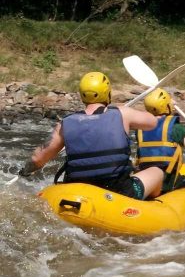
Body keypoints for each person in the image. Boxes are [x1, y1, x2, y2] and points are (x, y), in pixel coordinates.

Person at [18, 72, 164, 200]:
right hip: (117, 190)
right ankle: (152, 203)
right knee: (157, 171)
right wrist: (125, 115)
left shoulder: (65, 124)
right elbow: (152, 123)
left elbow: (38, 159)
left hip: (77, 189)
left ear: (82, 95)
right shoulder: (122, 113)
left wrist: (25, 171)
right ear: (108, 93)